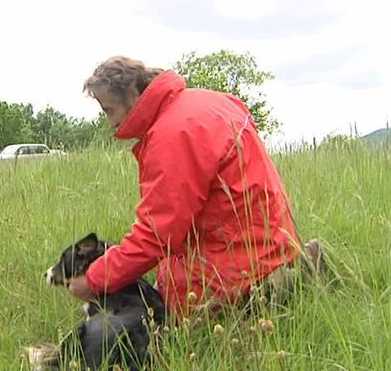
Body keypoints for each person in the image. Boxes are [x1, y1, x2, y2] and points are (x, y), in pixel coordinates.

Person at [68, 56, 318, 317]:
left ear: (131, 93)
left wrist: (95, 279)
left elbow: (156, 235)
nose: (110, 123)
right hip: (271, 239)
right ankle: (292, 267)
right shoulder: (215, 102)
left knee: (162, 328)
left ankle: (277, 286)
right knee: (156, 293)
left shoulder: (172, 135)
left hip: (236, 260)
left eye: (109, 110)